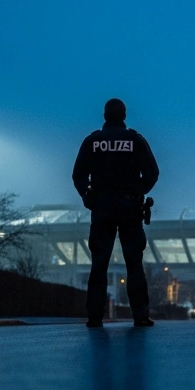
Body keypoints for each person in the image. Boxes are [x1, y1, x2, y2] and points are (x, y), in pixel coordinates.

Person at [72, 98, 160, 327]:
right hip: (130, 209)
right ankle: (140, 316)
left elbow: (78, 174)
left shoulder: (92, 141)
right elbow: (152, 173)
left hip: (101, 208)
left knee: (99, 263)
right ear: (124, 115)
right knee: (134, 263)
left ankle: (94, 316)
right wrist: (137, 191)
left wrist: (87, 195)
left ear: (104, 115)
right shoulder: (135, 140)